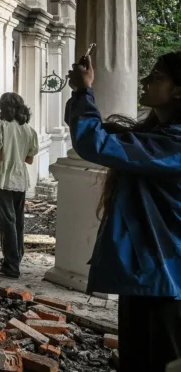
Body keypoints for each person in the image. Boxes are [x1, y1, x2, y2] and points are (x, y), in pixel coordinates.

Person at [67, 51, 181, 372]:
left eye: (156, 76)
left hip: (166, 284)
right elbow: (93, 133)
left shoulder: (173, 144)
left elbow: (95, 142)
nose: (145, 81)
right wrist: (80, 96)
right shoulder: (157, 137)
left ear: (179, 90)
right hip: (150, 278)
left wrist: (83, 91)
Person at [0, 92, 38, 279]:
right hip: (20, 178)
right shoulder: (29, 130)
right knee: (18, 220)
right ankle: (16, 257)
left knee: (6, 221)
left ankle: (11, 265)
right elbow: (29, 159)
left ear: (3, 108)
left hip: (4, 178)